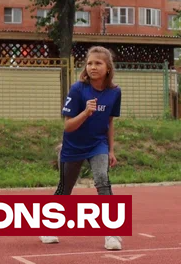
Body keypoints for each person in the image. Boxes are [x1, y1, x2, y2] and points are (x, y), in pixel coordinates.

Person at [40, 47, 123, 250]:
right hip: (73, 146)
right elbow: (68, 126)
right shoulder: (78, 89)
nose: (93, 67)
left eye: (98, 63)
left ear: (108, 67)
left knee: (102, 181)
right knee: (65, 189)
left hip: (98, 145)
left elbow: (110, 123)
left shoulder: (114, 92)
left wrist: (111, 150)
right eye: (90, 63)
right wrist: (86, 112)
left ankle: (111, 234)